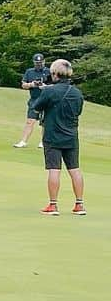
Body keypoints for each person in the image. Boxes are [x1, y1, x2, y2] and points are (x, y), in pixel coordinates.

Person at [32, 59, 86, 216]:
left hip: (53, 135)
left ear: (55, 73)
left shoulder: (50, 91)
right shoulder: (77, 93)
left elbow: (36, 107)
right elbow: (79, 111)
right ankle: (79, 204)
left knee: (54, 169)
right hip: (71, 136)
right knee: (74, 169)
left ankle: (53, 205)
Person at [13, 53, 51, 149]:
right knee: (30, 120)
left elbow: (54, 85)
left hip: (46, 99)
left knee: (45, 122)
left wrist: (45, 86)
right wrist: (32, 84)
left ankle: (43, 141)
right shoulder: (29, 72)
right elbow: (23, 85)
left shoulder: (49, 72)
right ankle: (23, 141)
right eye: (37, 63)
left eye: (40, 62)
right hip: (34, 100)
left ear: (44, 62)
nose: (38, 64)